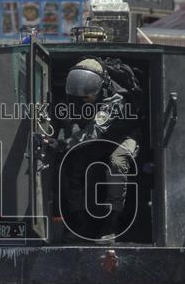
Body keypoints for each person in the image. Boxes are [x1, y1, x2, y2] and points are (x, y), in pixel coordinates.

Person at [60, 57, 144, 241]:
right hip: (94, 140)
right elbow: (70, 124)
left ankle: (112, 221)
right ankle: (79, 220)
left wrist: (65, 144)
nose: (84, 96)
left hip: (124, 135)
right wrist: (62, 140)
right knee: (72, 164)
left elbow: (95, 130)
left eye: (89, 91)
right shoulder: (76, 96)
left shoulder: (116, 98)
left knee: (118, 161)